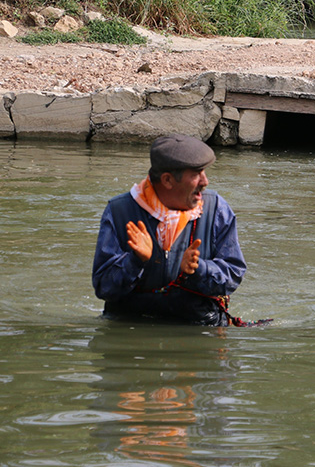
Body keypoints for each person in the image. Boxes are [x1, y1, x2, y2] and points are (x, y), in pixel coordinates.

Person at [92, 134, 247, 325]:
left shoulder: (216, 209)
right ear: (167, 180)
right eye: (197, 174)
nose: (205, 181)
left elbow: (233, 275)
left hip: (198, 327)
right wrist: (135, 261)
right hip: (130, 327)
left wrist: (198, 269)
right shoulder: (118, 211)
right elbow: (103, 288)